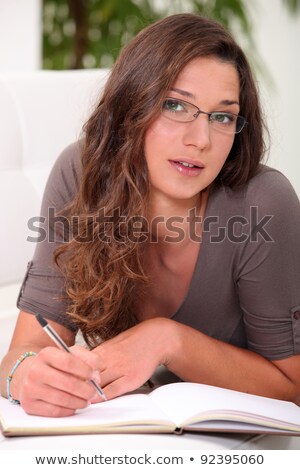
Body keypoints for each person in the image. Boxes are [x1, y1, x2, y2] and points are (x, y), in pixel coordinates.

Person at [1, 13, 300, 418]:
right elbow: (20, 353)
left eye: (223, 116)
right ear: (131, 106)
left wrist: (167, 340)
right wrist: (28, 376)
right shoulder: (81, 173)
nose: (200, 140)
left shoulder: (262, 202)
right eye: (175, 105)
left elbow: (292, 386)